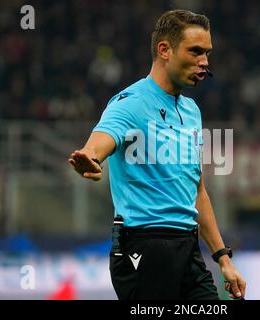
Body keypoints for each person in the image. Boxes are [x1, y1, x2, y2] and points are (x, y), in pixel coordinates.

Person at [69, 9, 246, 300]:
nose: (205, 62)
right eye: (196, 51)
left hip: (188, 247)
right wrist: (90, 156)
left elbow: (197, 189)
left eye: (207, 53)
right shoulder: (130, 103)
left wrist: (223, 259)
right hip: (144, 247)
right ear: (165, 50)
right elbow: (100, 140)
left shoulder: (191, 111)